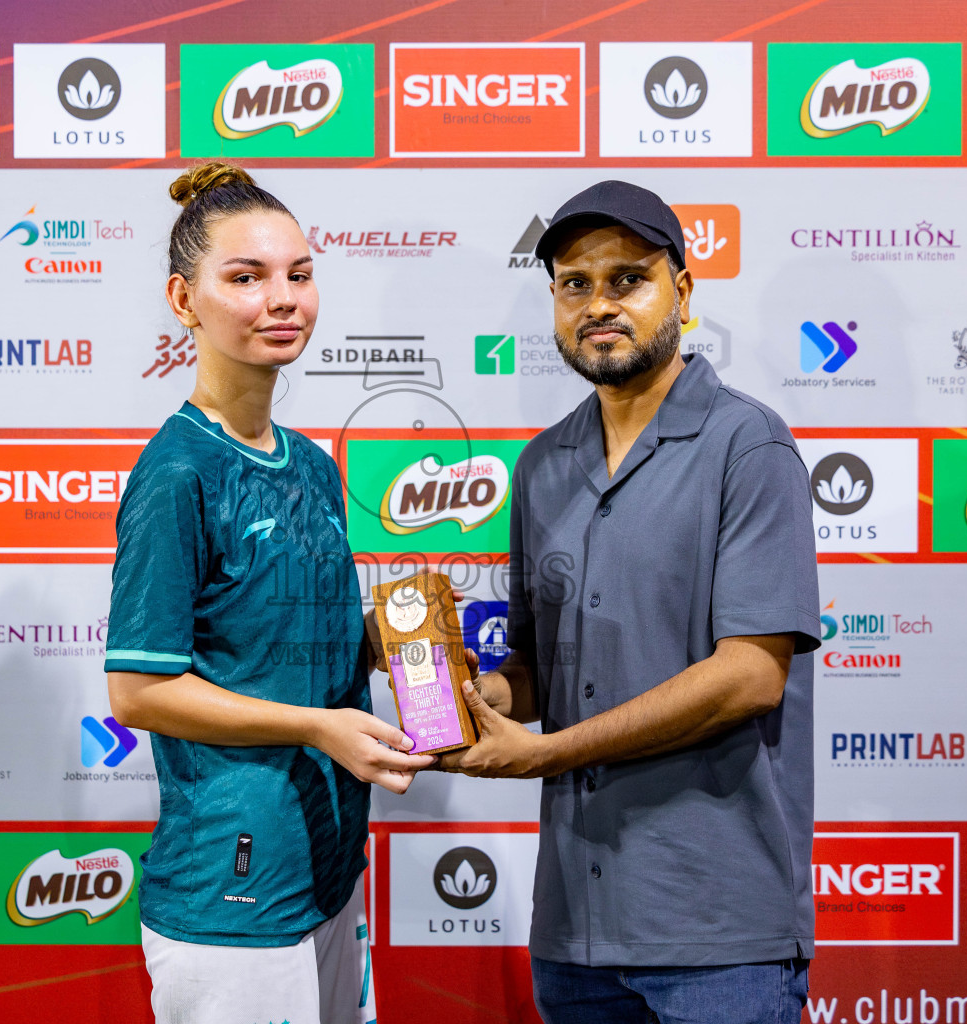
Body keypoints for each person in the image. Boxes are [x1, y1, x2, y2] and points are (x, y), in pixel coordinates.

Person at [439, 180, 821, 1023]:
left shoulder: (748, 446)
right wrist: (477, 700)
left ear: (681, 293)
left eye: (627, 279)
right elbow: (542, 671)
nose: (598, 303)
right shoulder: (541, 465)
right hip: (576, 934)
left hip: (719, 936)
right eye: (575, 284)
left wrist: (545, 754)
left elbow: (750, 678)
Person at [104, 162, 434, 1024]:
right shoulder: (177, 473)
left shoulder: (314, 466)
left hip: (327, 870)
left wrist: (400, 630)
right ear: (185, 301)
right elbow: (140, 691)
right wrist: (316, 727)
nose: (281, 299)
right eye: (245, 279)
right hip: (230, 894)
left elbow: (287, 642)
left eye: (299, 274)